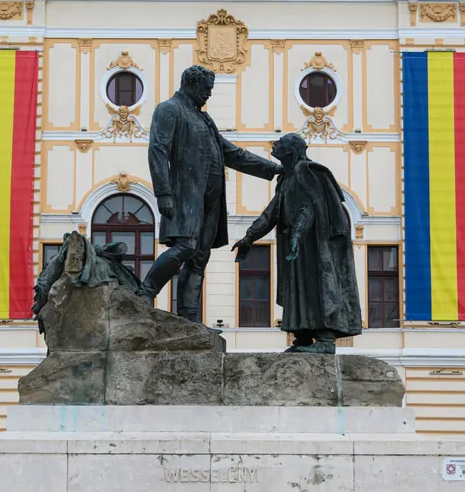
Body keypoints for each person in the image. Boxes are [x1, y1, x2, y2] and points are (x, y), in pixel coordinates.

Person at [136, 65, 282, 323]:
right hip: (186, 195)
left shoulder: (204, 118)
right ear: (191, 85)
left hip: (210, 201)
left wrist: (274, 169)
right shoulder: (169, 110)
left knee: (199, 258)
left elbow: (232, 154)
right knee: (185, 247)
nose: (209, 95)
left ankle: (189, 316)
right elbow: (157, 151)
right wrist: (163, 193)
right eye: (206, 89)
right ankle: (145, 292)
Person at [232, 133, 362, 354]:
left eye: (280, 144)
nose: (275, 145)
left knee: (317, 285)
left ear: (290, 150)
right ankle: (302, 335)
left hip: (314, 245)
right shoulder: (286, 178)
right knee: (299, 286)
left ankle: (325, 338)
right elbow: (271, 213)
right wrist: (249, 237)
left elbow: (311, 207)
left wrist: (297, 235)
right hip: (298, 246)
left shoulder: (307, 171)